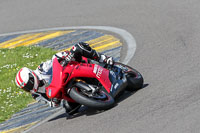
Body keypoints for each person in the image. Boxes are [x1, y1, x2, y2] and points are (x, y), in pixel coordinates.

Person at [15, 42, 114, 113]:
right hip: (66, 91)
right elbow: (51, 103)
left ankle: (103, 58)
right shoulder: (36, 95)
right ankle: (91, 97)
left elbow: (55, 59)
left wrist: (65, 57)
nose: (29, 88)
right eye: (25, 88)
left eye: (28, 84)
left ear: (32, 76)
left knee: (78, 48)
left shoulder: (42, 69)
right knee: (69, 109)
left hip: (70, 71)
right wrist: (54, 101)